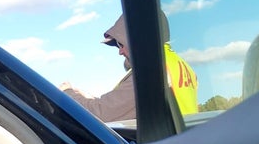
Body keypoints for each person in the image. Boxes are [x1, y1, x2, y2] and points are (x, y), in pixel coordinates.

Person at [61, 13, 198, 122]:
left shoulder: (151, 70)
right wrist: (87, 97)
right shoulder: (177, 63)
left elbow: (100, 115)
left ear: (137, 39)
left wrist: (67, 94)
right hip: (182, 141)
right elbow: (127, 106)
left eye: (121, 44)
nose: (120, 52)